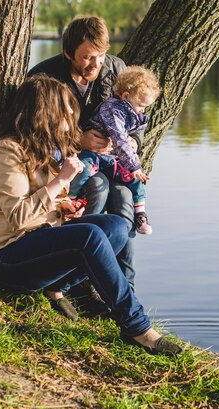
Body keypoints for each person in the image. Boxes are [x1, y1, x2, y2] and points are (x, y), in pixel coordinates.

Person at [0, 74, 181, 356]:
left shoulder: (49, 149)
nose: (70, 122)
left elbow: (52, 203)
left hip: (40, 243)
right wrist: (60, 181)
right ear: (45, 115)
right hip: (5, 256)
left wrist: (67, 208)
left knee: (117, 228)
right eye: (65, 115)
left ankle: (57, 287)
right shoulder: (7, 151)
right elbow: (18, 216)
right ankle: (136, 326)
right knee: (90, 236)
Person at [28, 16, 139, 288]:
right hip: (69, 166)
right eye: (88, 57)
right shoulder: (44, 77)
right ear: (68, 53)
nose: (96, 64)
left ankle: (124, 287)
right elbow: (35, 131)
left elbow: (135, 114)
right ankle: (81, 281)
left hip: (112, 162)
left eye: (100, 55)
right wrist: (78, 140)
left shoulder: (117, 68)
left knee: (125, 203)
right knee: (97, 188)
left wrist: (134, 141)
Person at [68, 65, 160, 235]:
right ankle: (71, 201)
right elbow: (118, 137)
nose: (143, 110)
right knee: (82, 170)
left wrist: (134, 142)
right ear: (126, 96)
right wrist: (134, 165)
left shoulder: (133, 112)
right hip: (94, 153)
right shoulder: (112, 108)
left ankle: (140, 213)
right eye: (141, 105)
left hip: (112, 157)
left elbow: (130, 135)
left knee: (134, 179)